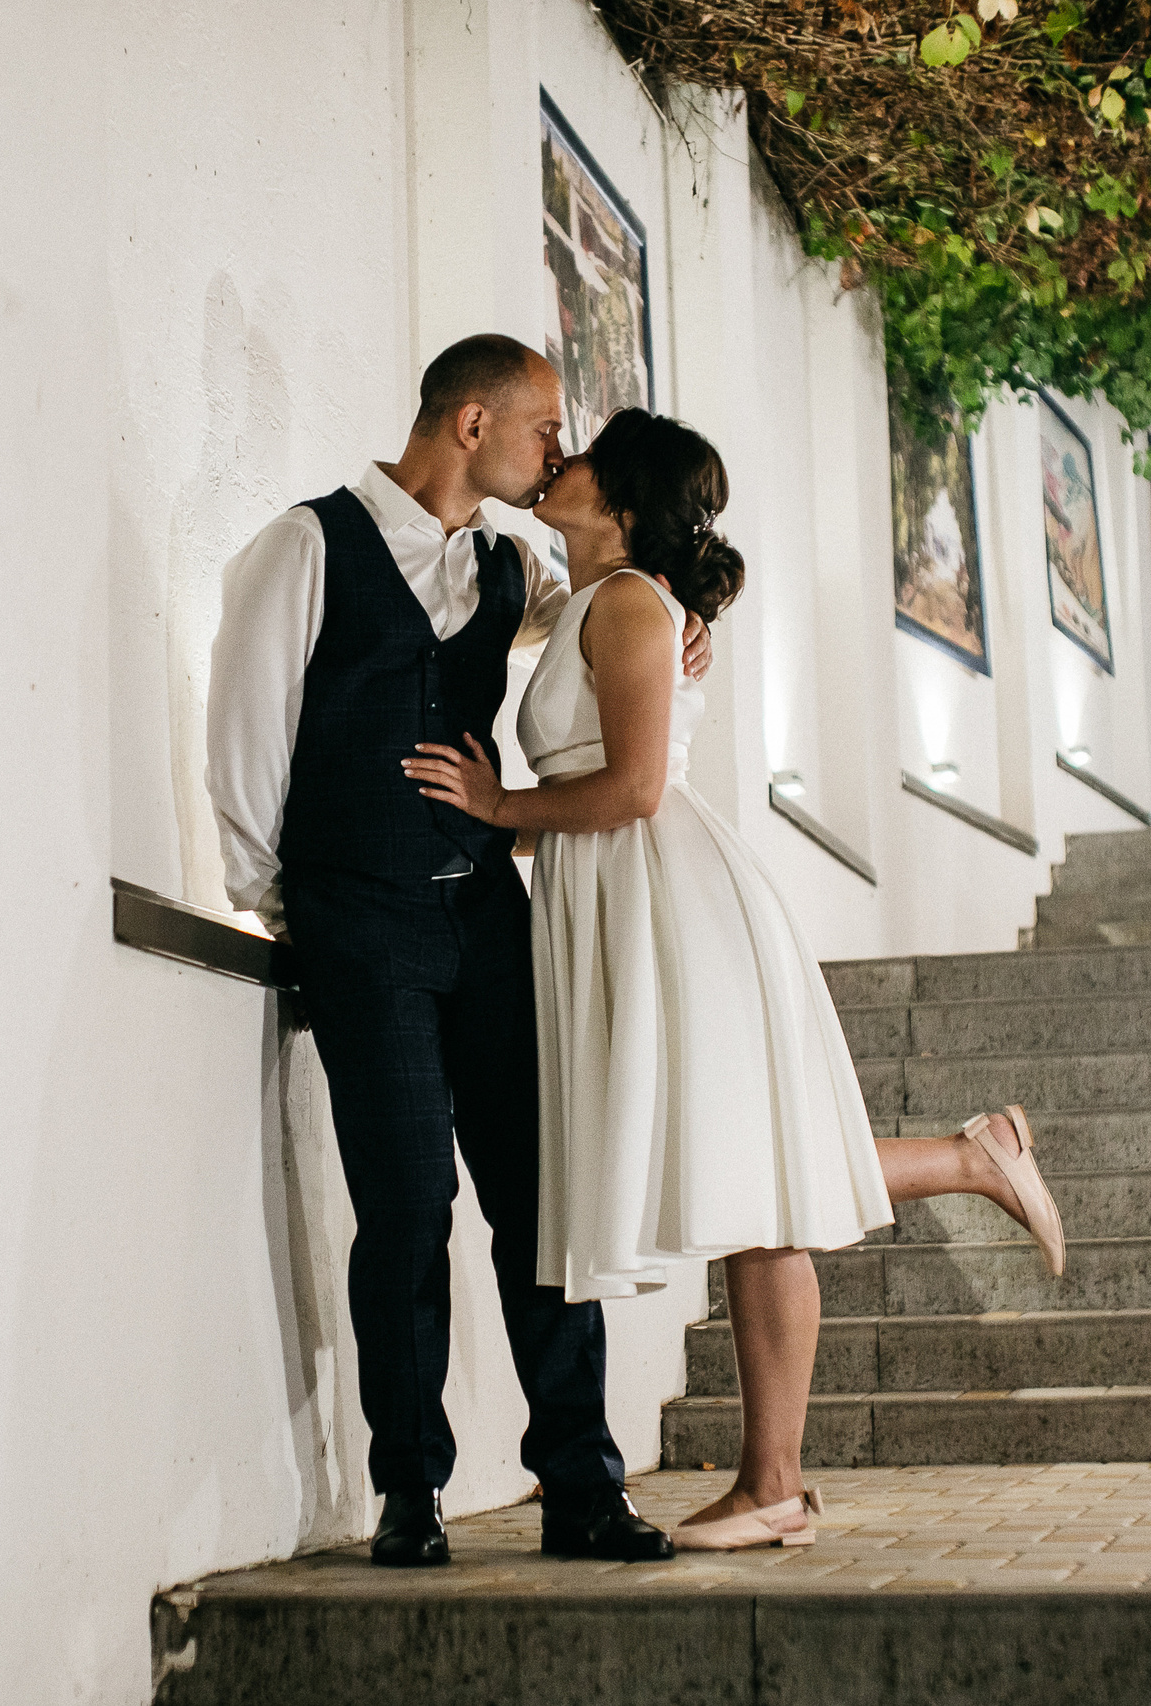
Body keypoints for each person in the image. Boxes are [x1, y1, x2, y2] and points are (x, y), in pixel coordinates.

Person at [403, 408, 1068, 1552]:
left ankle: (774, 1480)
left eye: (582, 458)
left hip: (668, 900)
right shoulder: (600, 598)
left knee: (756, 1182)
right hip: (626, 894)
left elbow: (636, 789)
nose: (558, 462)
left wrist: (499, 806)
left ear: (618, 502)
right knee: (749, 1174)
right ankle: (959, 1170)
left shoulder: (622, 603)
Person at [205, 336, 711, 1568]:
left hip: (488, 919)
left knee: (540, 1203)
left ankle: (581, 1485)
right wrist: (293, 903)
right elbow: (242, 735)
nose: (559, 453)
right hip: (360, 922)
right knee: (406, 1208)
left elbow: (607, 603)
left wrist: (680, 615)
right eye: (547, 429)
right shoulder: (303, 545)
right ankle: (407, 1490)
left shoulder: (509, 563)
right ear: (473, 422)